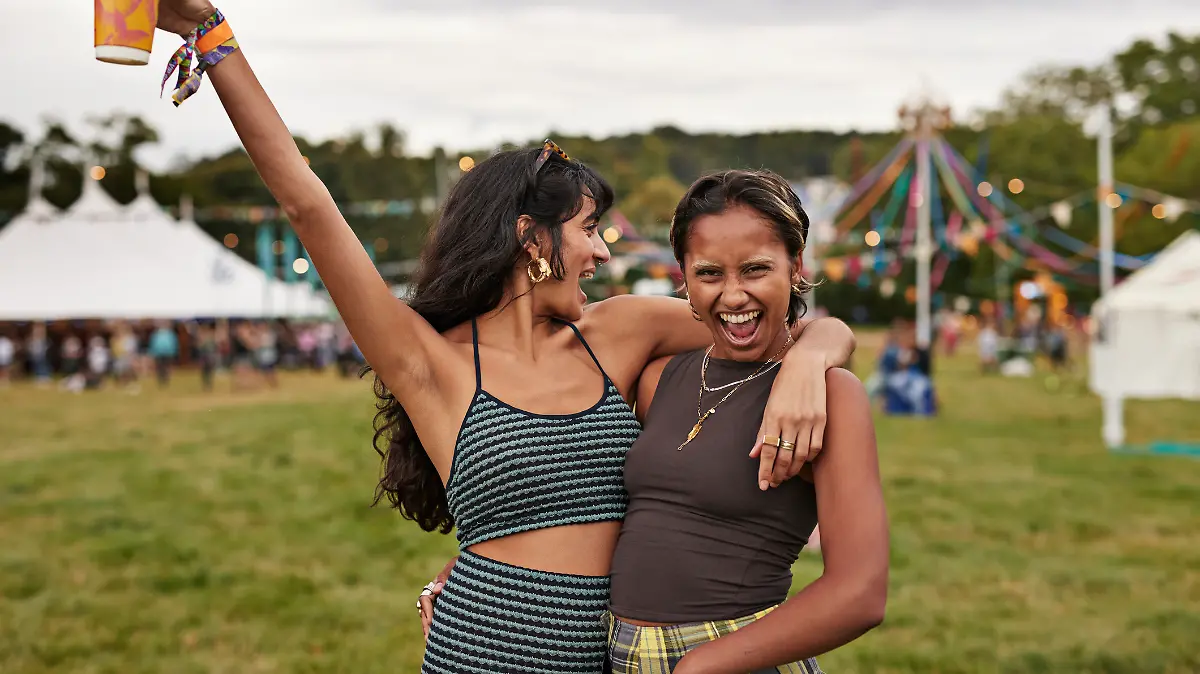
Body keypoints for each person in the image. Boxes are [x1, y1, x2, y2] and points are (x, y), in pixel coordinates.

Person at [151, 5, 855, 671]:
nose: (602, 252)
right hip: (482, 650)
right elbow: (306, 202)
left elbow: (780, 325)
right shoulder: (432, 365)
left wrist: (812, 361)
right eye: (588, 230)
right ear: (531, 239)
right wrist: (208, 30)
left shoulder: (618, 332)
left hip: (608, 655)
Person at [423, 171, 887, 673]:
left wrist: (699, 667)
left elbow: (860, 593)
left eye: (756, 269)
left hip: (734, 657)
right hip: (620, 658)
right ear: (683, 278)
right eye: (709, 273)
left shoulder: (830, 398)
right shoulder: (661, 379)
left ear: (796, 267)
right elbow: (595, 488)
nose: (734, 295)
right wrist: (498, 558)